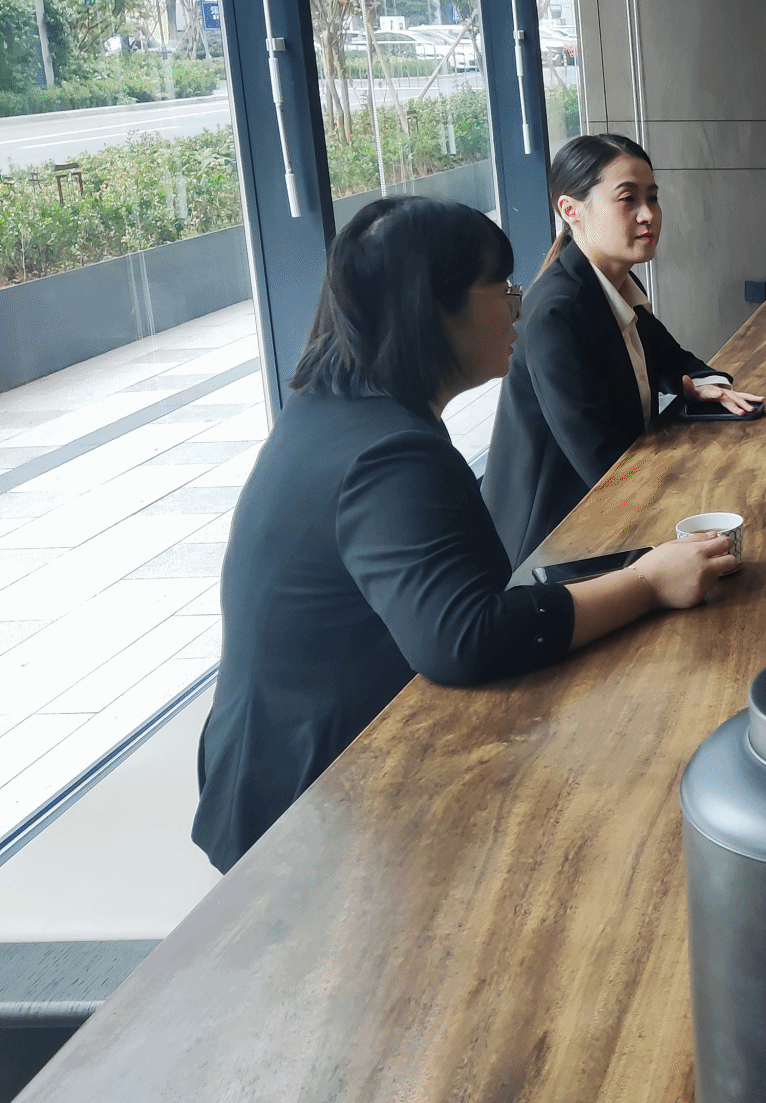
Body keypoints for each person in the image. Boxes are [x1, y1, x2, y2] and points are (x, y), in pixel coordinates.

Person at [193, 196, 735, 872]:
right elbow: (462, 637)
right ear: (433, 307)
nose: (516, 307)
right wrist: (647, 584)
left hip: (285, 759)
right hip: (320, 803)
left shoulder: (336, 408)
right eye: (500, 288)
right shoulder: (388, 453)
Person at [484, 134, 762, 565]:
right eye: (628, 199)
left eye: (653, 198)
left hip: (614, 509)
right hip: (554, 544)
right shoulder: (557, 312)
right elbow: (603, 464)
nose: (648, 214)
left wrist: (708, 386)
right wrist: (698, 482)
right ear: (570, 210)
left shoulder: (612, 281)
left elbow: (670, 358)